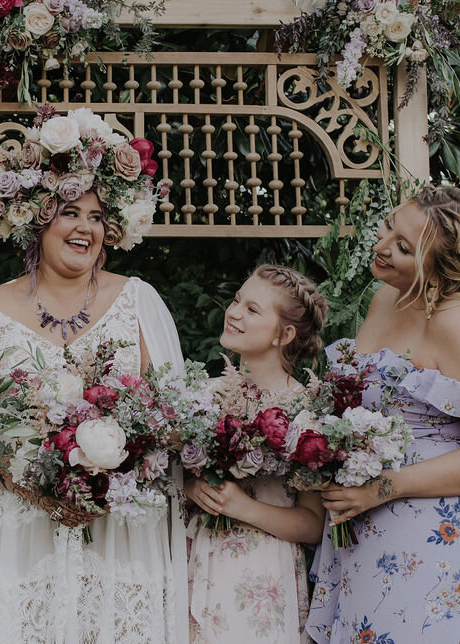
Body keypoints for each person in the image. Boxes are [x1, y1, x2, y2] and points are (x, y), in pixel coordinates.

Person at [0, 182, 187, 642]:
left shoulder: (139, 300)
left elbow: (168, 420)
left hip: (117, 534)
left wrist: (108, 479)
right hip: (16, 534)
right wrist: (37, 485)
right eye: (71, 212)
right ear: (36, 220)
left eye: (96, 217)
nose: (85, 228)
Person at [306, 185, 460, 643]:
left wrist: (383, 487)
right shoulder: (384, 297)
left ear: (439, 272)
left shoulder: (455, 323)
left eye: (404, 248)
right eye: (389, 226)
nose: (382, 246)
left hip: (436, 545)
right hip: (365, 536)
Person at [184, 264, 327, 643]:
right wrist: (190, 486)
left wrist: (242, 508)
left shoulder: (307, 411)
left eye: (252, 309)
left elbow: (313, 524)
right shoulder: (203, 394)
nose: (233, 312)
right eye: (236, 301)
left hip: (261, 574)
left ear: (285, 334)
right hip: (193, 555)